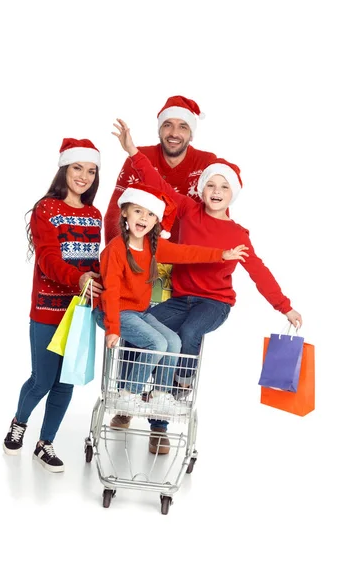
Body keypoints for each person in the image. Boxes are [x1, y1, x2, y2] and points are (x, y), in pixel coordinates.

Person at [112, 119, 303, 448]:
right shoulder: (187, 210)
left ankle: (169, 404)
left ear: (233, 194)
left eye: (224, 187)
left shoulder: (238, 235)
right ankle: (127, 399)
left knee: (187, 335)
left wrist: (284, 306)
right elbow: (158, 183)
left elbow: (259, 272)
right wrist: (132, 152)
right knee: (145, 327)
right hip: (181, 296)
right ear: (202, 190)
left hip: (214, 303)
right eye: (211, 186)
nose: (216, 192)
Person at [94, 174, 248, 452]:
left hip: (138, 311)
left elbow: (186, 252)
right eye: (138, 211)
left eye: (150, 214)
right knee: (157, 343)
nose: (143, 218)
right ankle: (129, 393)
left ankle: (162, 394)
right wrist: (114, 327)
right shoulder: (114, 250)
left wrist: (221, 255)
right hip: (115, 311)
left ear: (156, 222)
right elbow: (111, 292)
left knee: (173, 343)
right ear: (125, 213)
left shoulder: (154, 247)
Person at [3, 138, 103, 472]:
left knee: (65, 382)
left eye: (91, 171)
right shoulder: (47, 209)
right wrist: (80, 279)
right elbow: (47, 259)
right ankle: (19, 423)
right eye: (78, 168)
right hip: (48, 310)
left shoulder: (94, 214)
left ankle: (45, 444)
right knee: (42, 380)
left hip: (82, 312)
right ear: (64, 169)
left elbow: (95, 263)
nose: (84, 176)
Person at [104, 95, 237, 244]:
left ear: (191, 135)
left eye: (183, 126)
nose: (174, 133)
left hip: (192, 256)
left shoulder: (207, 162)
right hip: (145, 256)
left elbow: (219, 215)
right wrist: (118, 254)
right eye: (167, 125)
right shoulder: (137, 157)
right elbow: (116, 211)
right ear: (159, 130)